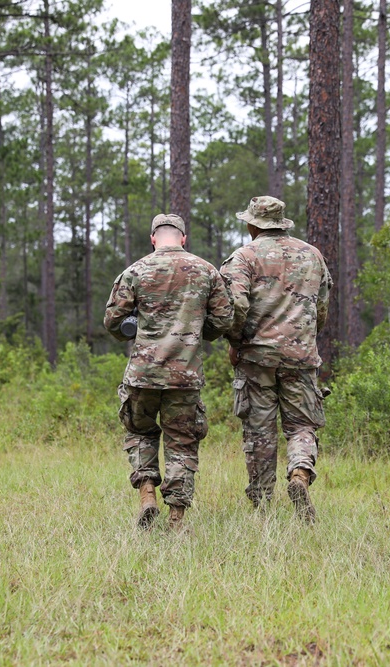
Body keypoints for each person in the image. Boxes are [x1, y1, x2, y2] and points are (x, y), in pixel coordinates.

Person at [104, 214, 233, 531]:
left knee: (140, 433)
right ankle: (176, 519)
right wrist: (199, 333)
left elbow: (112, 321)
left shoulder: (135, 271)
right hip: (185, 377)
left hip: (142, 375)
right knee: (182, 443)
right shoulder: (207, 272)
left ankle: (147, 494)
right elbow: (225, 319)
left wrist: (131, 332)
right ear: (183, 238)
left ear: (153, 238)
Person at [220, 196, 332, 521]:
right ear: (281, 222)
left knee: (260, 432)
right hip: (301, 357)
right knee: (302, 426)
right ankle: (299, 472)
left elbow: (235, 306)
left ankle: (263, 505)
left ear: (253, 224)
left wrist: (235, 341)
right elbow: (321, 308)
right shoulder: (312, 255)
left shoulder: (243, 257)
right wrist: (305, 337)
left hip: (256, 359)